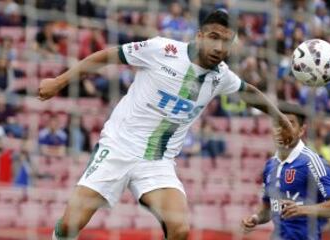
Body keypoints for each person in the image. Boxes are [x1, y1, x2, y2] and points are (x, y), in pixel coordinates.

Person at [38, 10, 296, 240]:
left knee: (180, 229)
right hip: (118, 147)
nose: (219, 47)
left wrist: (281, 119)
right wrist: (59, 82)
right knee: (71, 225)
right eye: (214, 37)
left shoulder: (220, 76)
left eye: (226, 41)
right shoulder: (161, 49)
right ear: (199, 36)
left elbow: (248, 91)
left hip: (157, 161)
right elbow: (107, 56)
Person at [241, 102, 330, 240]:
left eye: (289, 124)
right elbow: (268, 209)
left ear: (301, 130)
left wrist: (302, 210)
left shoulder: (312, 161)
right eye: (277, 123)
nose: (280, 129)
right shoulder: (270, 166)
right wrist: (255, 218)